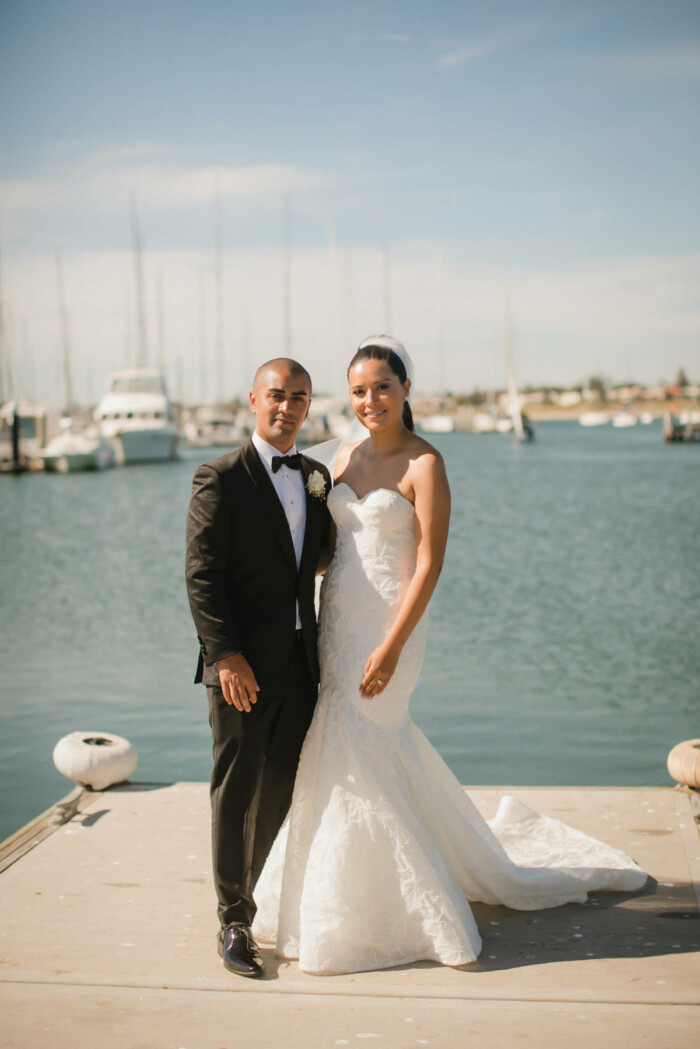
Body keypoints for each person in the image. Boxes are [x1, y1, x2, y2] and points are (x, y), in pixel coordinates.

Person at [252, 336, 646, 975]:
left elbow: (430, 563)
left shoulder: (425, 464)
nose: (370, 400)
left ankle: (398, 910)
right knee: (344, 746)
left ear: (406, 390)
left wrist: (391, 645)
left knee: (364, 736)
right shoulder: (341, 458)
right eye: (358, 390)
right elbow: (322, 548)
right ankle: (328, 898)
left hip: (389, 623)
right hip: (338, 617)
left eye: (382, 386)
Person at [185, 358, 331, 979]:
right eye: (277, 396)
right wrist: (226, 656)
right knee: (236, 789)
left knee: (280, 789)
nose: (287, 408)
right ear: (253, 399)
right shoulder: (218, 476)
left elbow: (319, 558)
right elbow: (201, 575)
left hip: (301, 664)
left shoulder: (318, 475)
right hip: (240, 669)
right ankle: (232, 921)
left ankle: (262, 897)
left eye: (298, 398)